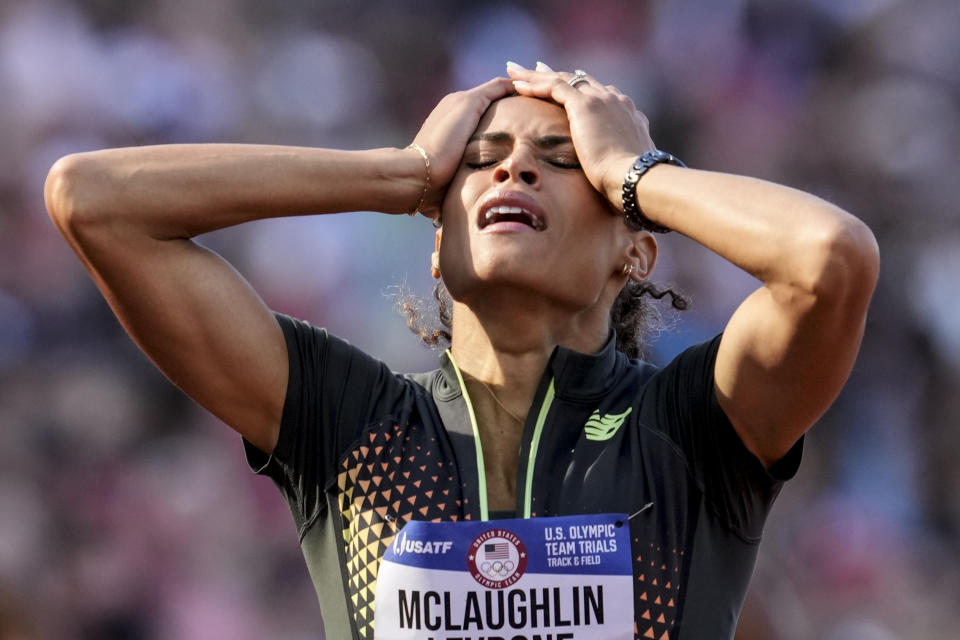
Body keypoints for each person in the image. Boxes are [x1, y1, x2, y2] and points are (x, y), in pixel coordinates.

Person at [44, 62, 879, 640]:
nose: (513, 173)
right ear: (437, 243)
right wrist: (399, 173)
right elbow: (92, 201)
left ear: (636, 251)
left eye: (564, 165)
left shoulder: (694, 428)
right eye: (480, 162)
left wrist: (632, 168)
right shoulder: (348, 424)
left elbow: (830, 259)